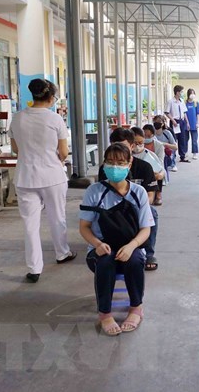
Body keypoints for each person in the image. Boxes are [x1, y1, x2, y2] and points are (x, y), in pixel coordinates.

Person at [80, 143, 155, 335]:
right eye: (111, 162)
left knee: (136, 259)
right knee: (105, 262)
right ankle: (104, 313)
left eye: (120, 162)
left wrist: (131, 246)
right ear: (104, 164)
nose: (115, 167)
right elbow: (84, 227)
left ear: (129, 164)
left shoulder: (138, 192)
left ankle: (136, 307)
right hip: (101, 248)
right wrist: (96, 244)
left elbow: (146, 229)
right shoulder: (94, 191)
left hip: (132, 247)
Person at [8, 78, 76, 283]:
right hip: (52, 176)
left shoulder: (18, 118)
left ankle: (34, 268)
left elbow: (15, 149)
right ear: (51, 97)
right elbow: (63, 152)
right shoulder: (55, 119)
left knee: (30, 224)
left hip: (25, 177)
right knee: (57, 217)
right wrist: (53, 157)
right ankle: (62, 253)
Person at [96, 129, 160, 271]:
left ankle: (148, 253)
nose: (118, 151)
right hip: (111, 207)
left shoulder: (144, 167)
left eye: (123, 147)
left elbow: (151, 195)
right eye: (114, 146)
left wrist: (137, 208)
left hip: (137, 207)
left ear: (131, 146)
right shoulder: (105, 169)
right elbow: (101, 192)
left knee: (152, 213)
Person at [133, 125, 166, 206]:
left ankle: (158, 194)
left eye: (140, 143)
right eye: (135, 143)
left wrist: (158, 175)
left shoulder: (150, 154)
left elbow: (161, 169)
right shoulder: (125, 156)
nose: (138, 145)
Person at [165, 85, 191, 162]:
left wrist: (187, 123)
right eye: (181, 92)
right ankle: (172, 156)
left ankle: (182, 156)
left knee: (182, 139)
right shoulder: (170, 101)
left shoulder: (182, 101)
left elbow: (184, 112)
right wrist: (173, 120)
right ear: (177, 92)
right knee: (174, 139)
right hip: (174, 122)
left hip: (182, 122)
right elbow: (167, 112)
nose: (182, 93)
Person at [185, 88, 199, 159]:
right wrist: (187, 123)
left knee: (194, 140)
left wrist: (198, 123)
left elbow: (198, 114)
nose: (192, 95)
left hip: (194, 124)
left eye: (193, 93)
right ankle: (185, 152)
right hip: (186, 124)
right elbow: (184, 113)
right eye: (191, 93)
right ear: (188, 94)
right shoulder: (185, 103)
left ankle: (194, 153)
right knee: (185, 139)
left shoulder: (196, 103)